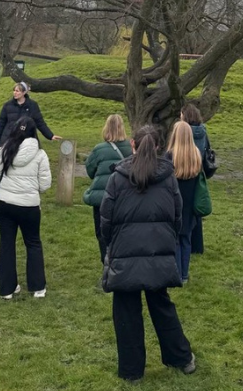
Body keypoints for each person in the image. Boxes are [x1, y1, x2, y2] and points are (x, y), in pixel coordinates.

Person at [100, 125, 196, 383]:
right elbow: (177, 217)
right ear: (159, 148)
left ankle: (132, 370)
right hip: (156, 250)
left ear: (132, 144)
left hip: (126, 251)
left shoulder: (119, 179)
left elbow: (105, 220)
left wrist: (111, 245)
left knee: (127, 310)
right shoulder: (166, 179)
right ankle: (181, 357)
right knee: (161, 305)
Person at [0, 116, 51, 299]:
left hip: (5, 204)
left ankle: (7, 289)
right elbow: (45, 185)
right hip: (29, 206)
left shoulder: (3, 152)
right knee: (33, 243)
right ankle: (37, 287)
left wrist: (2, 186)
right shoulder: (40, 155)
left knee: (7, 244)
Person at [83, 114, 132, 264]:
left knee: (102, 233)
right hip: (124, 197)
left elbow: (90, 170)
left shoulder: (99, 149)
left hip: (102, 197)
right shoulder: (131, 147)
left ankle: (107, 265)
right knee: (122, 232)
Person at [166, 121, 202, 284]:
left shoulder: (170, 156)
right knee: (186, 239)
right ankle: (185, 274)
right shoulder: (196, 154)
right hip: (190, 202)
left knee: (175, 240)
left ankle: (177, 274)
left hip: (174, 201)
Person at [0, 82, 61, 149]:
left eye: (17, 91)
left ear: (24, 92)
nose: (14, 93)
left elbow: (40, 122)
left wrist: (50, 135)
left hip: (25, 140)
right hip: (8, 139)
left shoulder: (33, 105)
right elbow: (0, 124)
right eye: (14, 90)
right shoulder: (7, 105)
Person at [180, 103, 211, 254]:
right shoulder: (203, 132)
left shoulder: (184, 132)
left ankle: (185, 242)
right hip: (198, 172)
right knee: (196, 208)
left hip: (185, 171)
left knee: (185, 208)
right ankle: (197, 246)